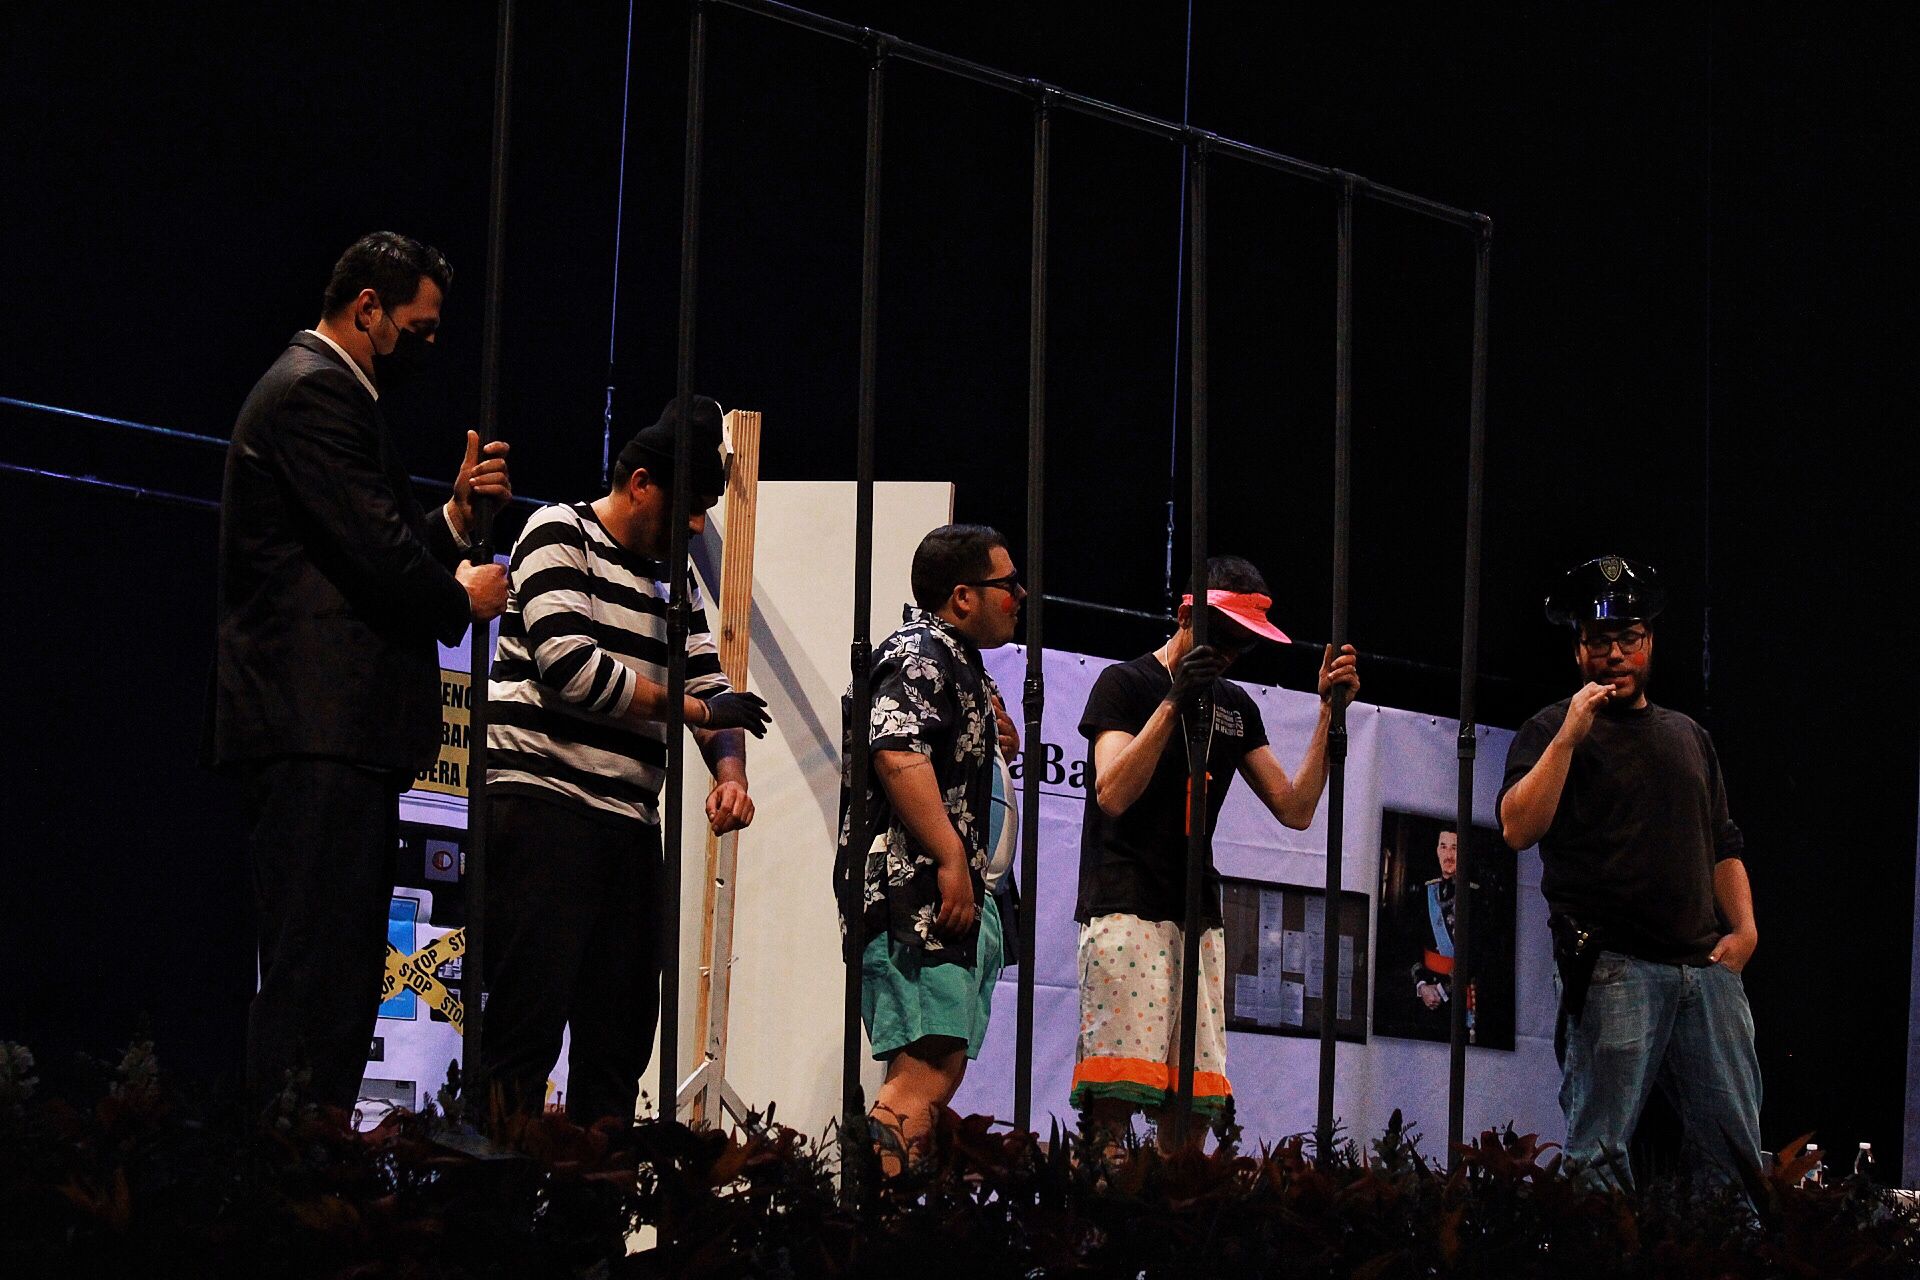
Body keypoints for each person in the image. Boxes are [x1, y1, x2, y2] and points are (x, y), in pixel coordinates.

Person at [212, 231, 513, 1111]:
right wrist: (462, 600)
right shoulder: (315, 392)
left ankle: (312, 1165)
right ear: (366, 307)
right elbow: (382, 558)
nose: (424, 346)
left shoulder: (334, 396)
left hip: (337, 735)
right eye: (414, 329)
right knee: (315, 976)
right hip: (315, 729)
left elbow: (364, 551)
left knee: (342, 974)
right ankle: (287, 1179)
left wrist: (454, 519)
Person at [480, 395, 770, 1127]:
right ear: (640, 483)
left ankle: (590, 1230)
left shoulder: (674, 586)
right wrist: (703, 713)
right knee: (525, 1029)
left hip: (627, 830)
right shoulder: (558, 533)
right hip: (543, 809)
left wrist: (730, 773)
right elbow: (571, 670)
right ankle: (486, 1218)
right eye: (690, 506)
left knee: (618, 1042)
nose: (697, 526)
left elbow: (714, 688)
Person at [1070, 556, 1360, 1148]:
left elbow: (1296, 808)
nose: (1229, 653)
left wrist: (1329, 711)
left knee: (1195, 1102)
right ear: (1184, 614)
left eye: (1243, 645)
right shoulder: (1126, 683)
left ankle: (1173, 1222)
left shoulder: (1235, 706)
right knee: (1119, 1095)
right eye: (1221, 637)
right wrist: (1175, 699)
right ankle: (1102, 1222)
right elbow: (1112, 792)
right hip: (1127, 906)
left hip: (1198, 912)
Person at [1498, 555, 1761, 1191]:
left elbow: (1722, 842)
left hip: (1704, 971)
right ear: (1578, 647)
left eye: (1629, 640)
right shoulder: (1548, 728)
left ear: (1649, 643)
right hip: (1613, 966)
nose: (1615, 654)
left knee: (1735, 1150)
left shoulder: (1688, 735)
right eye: (1599, 642)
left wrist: (1746, 929)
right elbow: (1516, 828)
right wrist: (1568, 737)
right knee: (1600, 1153)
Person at [836, 524, 1023, 1173]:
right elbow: (894, 749)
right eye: (1007, 584)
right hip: (914, 894)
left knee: (938, 1067)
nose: (1019, 595)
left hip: (949, 898)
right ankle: (861, 1231)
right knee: (921, 1070)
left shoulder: (957, 660)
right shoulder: (920, 650)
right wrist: (950, 859)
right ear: (964, 596)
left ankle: (884, 1225)